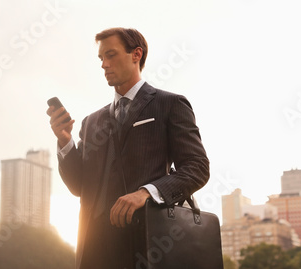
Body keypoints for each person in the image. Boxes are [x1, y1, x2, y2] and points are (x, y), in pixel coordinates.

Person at [47, 27, 209, 268]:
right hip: (94, 249)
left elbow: (197, 167)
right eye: (101, 58)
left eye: (111, 55)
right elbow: (79, 186)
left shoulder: (170, 104)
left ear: (136, 54)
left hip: (148, 240)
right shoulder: (91, 122)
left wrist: (146, 193)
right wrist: (64, 141)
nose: (104, 64)